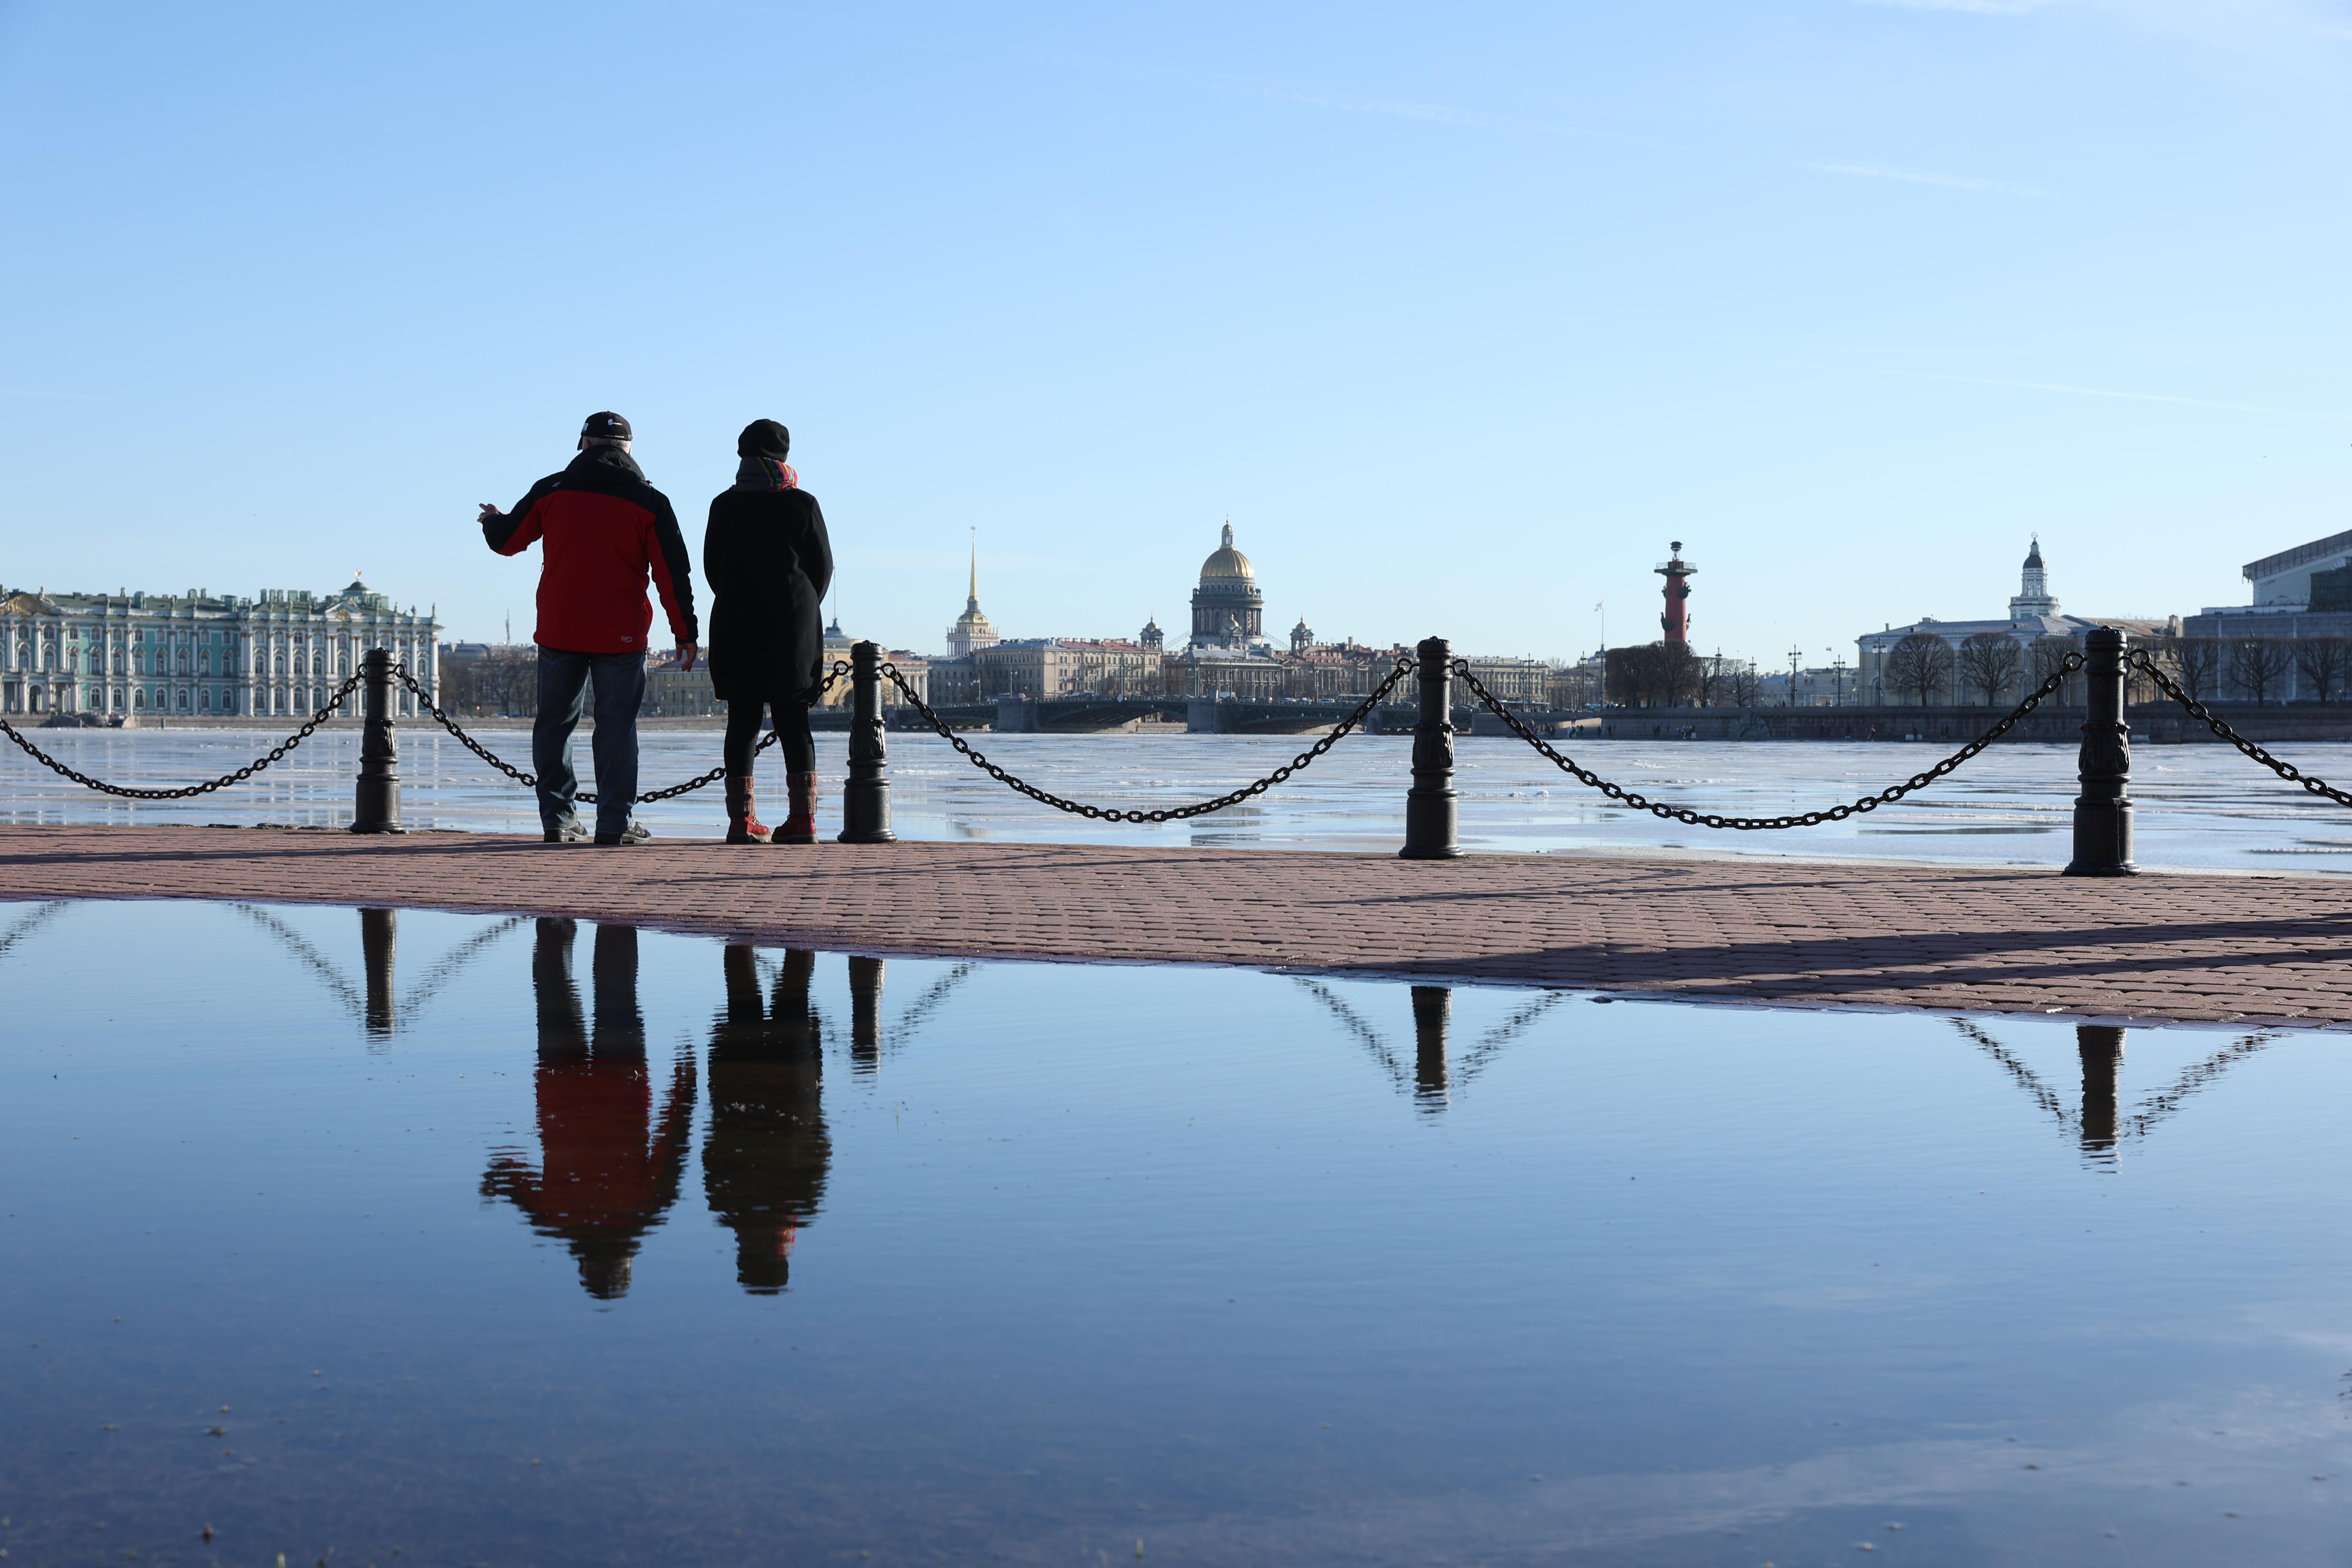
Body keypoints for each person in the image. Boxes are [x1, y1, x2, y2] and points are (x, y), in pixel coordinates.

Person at [478, 412, 699, 845]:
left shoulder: (552, 490)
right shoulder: (650, 501)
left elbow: (508, 542)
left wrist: (492, 521)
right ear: (628, 449)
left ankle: (559, 820)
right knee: (617, 728)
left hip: (560, 627)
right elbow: (672, 575)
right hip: (622, 632)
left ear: (584, 444)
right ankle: (615, 822)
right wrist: (684, 633)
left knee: (555, 726)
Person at [701, 419, 833, 844]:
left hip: (737, 624)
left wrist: (739, 596)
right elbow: (823, 568)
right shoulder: (802, 504)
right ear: (784, 456)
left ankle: (742, 822)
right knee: (794, 720)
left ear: (743, 456)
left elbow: (712, 569)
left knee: (742, 721)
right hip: (793, 629)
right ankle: (804, 821)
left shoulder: (724, 505)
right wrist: (801, 604)